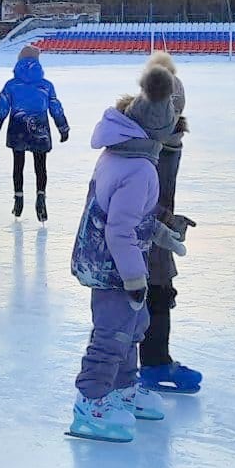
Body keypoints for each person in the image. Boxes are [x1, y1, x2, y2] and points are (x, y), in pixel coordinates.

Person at [67, 64, 190, 442]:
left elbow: (131, 215)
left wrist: (162, 232)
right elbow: (119, 229)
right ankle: (89, 403)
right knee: (112, 334)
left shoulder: (122, 154)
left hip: (111, 261)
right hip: (113, 268)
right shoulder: (140, 169)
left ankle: (122, 390)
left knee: (131, 329)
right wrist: (136, 279)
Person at [138, 51, 203, 394]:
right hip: (141, 237)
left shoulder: (169, 141)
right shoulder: (149, 144)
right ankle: (152, 364)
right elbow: (139, 201)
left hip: (153, 233)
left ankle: (152, 360)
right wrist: (164, 220)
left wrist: (169, 217)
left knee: (156, 293)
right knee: (153, 293)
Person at [0, 44, 69, 221]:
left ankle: (18, 199)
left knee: (18, 165)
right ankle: (40, 197)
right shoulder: (46, 86)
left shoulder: (11, 86)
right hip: (40, 130)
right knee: (40, 166)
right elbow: (56, 108)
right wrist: (63, 127)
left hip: (18, 129)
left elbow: (1, 110)